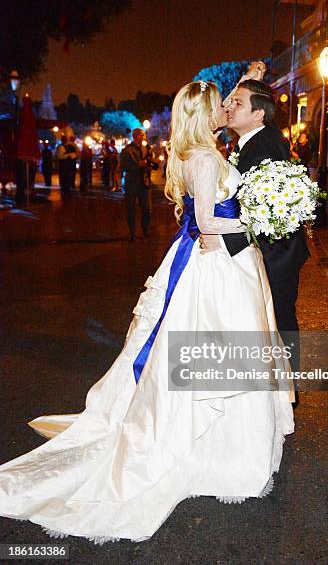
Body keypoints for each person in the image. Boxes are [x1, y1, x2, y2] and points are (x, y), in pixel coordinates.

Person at [0, 81, 294, 543]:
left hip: (227, 263)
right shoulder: (201, 156)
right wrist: (257, 219)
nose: (225, 108)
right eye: (219, 104)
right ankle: (211, 451)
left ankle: (233, 444)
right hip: (213, 268)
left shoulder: (210, 151)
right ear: (202, 112)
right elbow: (204, 221)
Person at [203, 80, 310, 377]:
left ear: (258, 113)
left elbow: (266, 210)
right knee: (268, 321)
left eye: (237, 102)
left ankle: (288, 389)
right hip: (266, 249)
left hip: (277, 253)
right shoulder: (250, 142)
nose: (229, 106)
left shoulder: (265, 146)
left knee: (279, 319)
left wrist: (224, 239)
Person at [119, 128, 153, 240]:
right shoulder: (127, 150)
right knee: (131, 208)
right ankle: (132, 232)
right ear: (136, 136)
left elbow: (149, 164)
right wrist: (138, 165)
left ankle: (146, 228)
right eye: (142, 135)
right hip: (132, 182)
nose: (144, 137)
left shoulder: (146, 149)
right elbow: (123, 166)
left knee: (147, 207)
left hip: (143, 182)